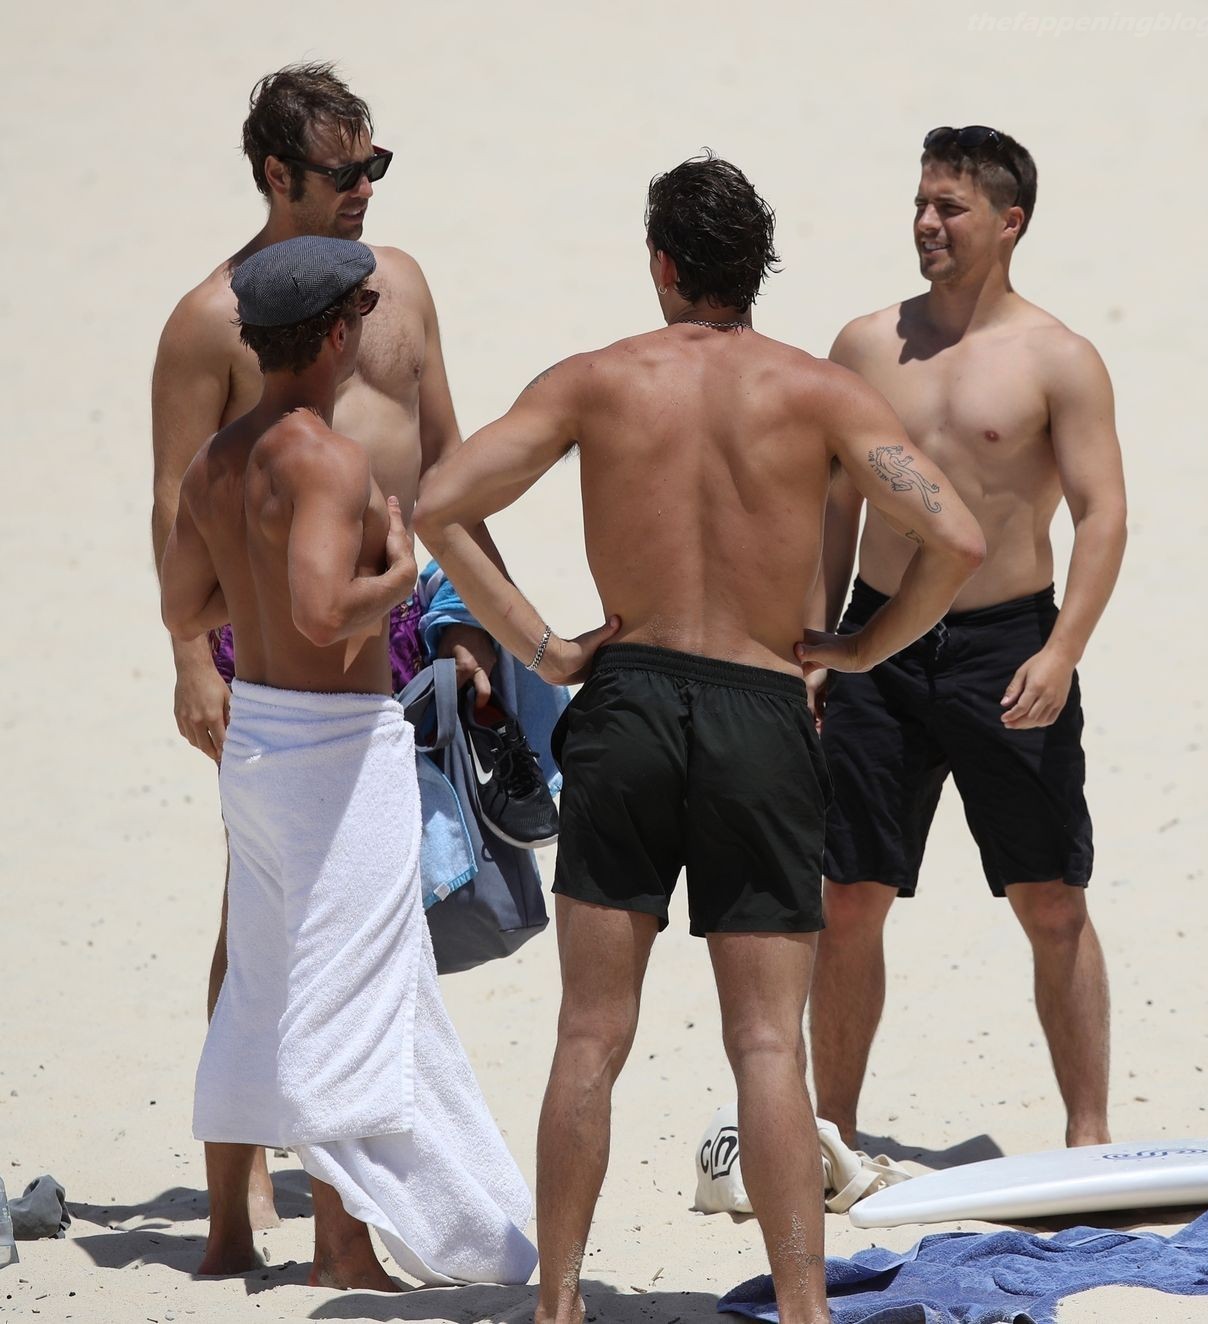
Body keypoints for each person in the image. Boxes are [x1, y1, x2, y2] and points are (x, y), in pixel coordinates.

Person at [413, 155, 985, 1324]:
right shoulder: (818, 392)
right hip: (762, 710)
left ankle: (559, 1304)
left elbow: (439, 504)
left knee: (589, 1030)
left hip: (626, 703)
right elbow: (959, 537)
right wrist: (862, 649)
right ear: (756, 266)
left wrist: (540, 646)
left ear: (663, 263)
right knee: (769, 1043)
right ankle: (806, 1309)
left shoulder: (595, 380)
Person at [147, 63, 538, 1260]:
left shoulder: (398, 286)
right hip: (287, 641)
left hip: (405, 613)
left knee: (391, 901)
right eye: (341, 171)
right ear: (277, 174)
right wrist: (191, 664)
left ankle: (338, 1183)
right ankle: (269, 1201)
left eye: (376, 165)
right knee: (275, 917)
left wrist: (486, 619)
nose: (365, 187)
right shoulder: (208, 322)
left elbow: (450, 466)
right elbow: (176, 506)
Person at [809, 126, 1128, 1150]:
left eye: (949, 207)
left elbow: (1103, 514)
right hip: (875, 643)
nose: (926, 223)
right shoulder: (865, 346)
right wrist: (814, 641)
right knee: (849, 896)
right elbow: (832, 505)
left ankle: (1087, 1136)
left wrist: (1063, 650)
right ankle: (832, 1132)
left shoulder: (1059, 358)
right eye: (920, 203)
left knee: (1052, 900)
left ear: (1009, 221)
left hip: (1008, 646)